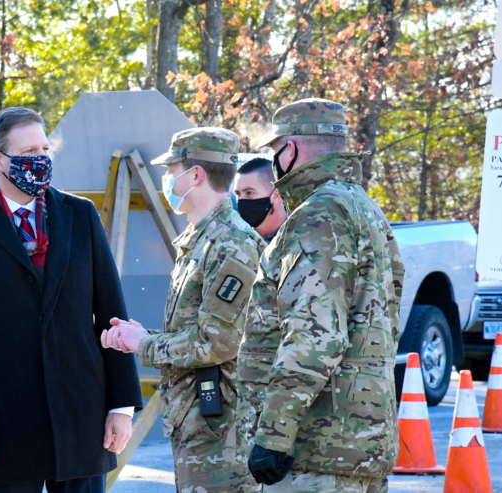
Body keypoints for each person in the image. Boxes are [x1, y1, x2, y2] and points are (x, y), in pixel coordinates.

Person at [0, 107, 143, 493]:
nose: (41, 159)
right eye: (29, 152)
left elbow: (112, 315)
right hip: (2, 426)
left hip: (82, 417)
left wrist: (121, 407)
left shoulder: (80, 214)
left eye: (45, 148)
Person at [240, 98, 405, 493]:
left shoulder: (318, 214)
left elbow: (315, 334)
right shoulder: (366, 209)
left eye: (276, 150)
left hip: (317, 453)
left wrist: (274, 434)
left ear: (290, 151)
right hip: (362, 447)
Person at [101, 127, 264, 493]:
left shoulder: (231, 244)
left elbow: (218, 343)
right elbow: (200, 331)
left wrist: (144, 344)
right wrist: (141, 338)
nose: (168, 179)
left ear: (196, 175)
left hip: (222, 433)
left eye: (172, 170)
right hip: (198, 424)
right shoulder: (201, 238)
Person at [234, 157, 287, 242]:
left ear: (276, 196)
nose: (241, 201)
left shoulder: (301, 236)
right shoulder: (236, 241)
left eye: (249, 193)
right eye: (238, 194)